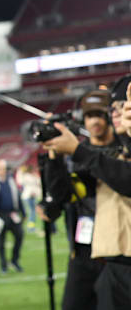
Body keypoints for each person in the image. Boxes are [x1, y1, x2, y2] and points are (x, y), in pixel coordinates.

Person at [43, 80, 131, 310]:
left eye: (102, 114)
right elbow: (61, 194)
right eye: (90, 115)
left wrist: (78, 151)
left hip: (121, 254)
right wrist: (55, 157)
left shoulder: (120, 151)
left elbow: (124, 177)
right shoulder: (82, 157)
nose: (96, 121)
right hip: (87, 252)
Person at [15, 165, 42, 235]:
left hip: (32, 196)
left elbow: (39, 183)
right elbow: (20, 182)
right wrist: (20, 171)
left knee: (32, 212)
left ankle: (30, 227)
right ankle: (30, 228)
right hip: (29, 197)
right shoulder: (26, 176)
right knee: (32, 212)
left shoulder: (33, 176)